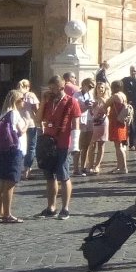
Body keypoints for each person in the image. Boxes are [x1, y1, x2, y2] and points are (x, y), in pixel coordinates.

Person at [38, 75, 80, 219]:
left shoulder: (71, 101)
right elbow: (38, 119)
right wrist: (43, 102)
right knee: (50, 176)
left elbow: (76, 124)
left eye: (53, 88)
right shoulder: (49, 102)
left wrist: (75, 144)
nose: (51, 91)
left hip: (63, 143)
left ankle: (65, 208)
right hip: (49, 143)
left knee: (63, 175)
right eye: (49, 88)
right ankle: (51, 207)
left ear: (61, 87)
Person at [0, 88, 29, 222]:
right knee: (10, 184)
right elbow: (20, 132)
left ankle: (0, 213)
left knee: (1, 183)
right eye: (22, 99)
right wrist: (27, 123)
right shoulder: (15, 113)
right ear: (16, 100)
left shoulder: (3, 113)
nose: (24, 101)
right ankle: (7, 214)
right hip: (14, 150)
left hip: (3, 150)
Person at [106, 80, 130, 174]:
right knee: (119, 145)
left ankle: (123, 167)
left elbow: (105, 105)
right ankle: (120, 166)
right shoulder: (124, 95)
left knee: (118, 146)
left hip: (116, 122)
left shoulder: (115, 96)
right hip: (122, 122)